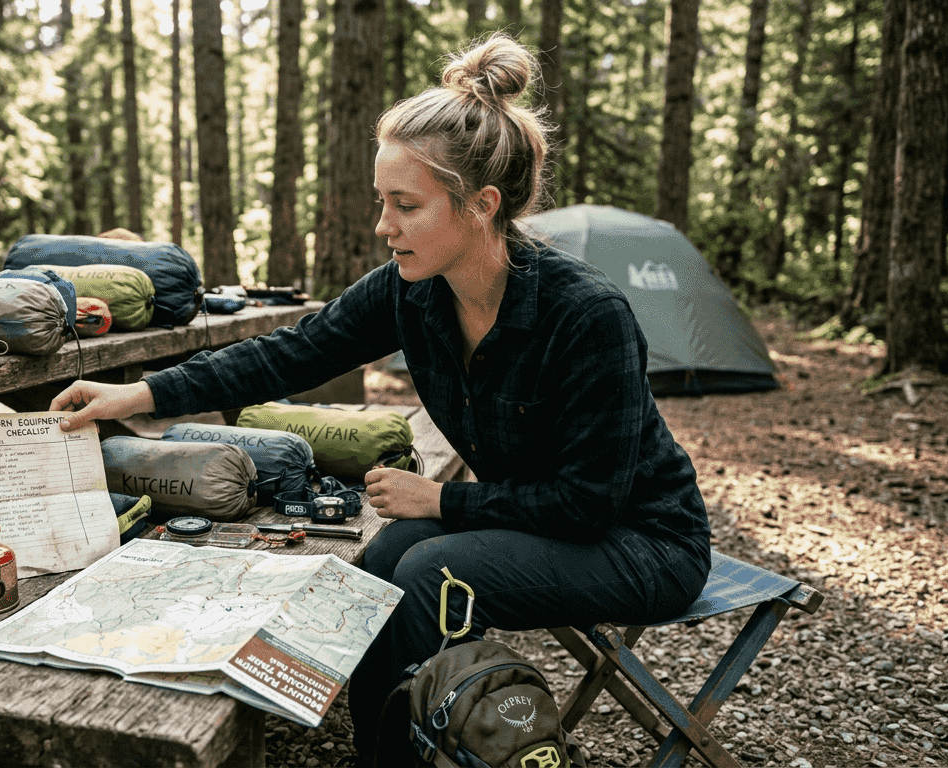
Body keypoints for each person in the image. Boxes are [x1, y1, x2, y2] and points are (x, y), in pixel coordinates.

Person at [50, 33, 710, 765]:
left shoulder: (585, 315)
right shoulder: (412, 290)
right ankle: (387, 748)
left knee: (431, 571)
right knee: (384, 554)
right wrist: (138, 393)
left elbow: (589, 503)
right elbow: (292, 351)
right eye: (381, 202)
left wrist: (443, 503)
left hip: (642, 542)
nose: (382, 226)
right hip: (557, 523)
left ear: (481, 205)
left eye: (405, 205)